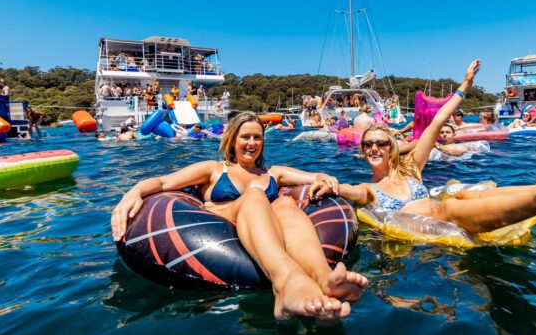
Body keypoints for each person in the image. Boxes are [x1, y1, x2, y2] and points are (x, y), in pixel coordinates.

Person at [310, 60, 536, 235]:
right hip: (435, 221)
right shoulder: (369, 189)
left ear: (393, 147)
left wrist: (464, 87)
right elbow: (349, 190)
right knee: (447, 206)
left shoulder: (411, 168)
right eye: (368, 145)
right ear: (363, 152)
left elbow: (435, 124)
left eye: (380, 143)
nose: (374, 148)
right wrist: (332, 184)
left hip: (445, 207)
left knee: (465, 194)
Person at [111, 112, 368, 320]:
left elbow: (317, 177)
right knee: (256, 197)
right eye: (246, 137)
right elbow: (163, 183)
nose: (252, 143)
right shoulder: (214, 170)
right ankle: (286, 282)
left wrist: (327, 180)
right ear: (232, 140)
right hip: (223, 226)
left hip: (265, 229)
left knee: (286, 205)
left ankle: (324, 278)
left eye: (258, 137)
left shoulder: (273, 173)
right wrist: (132, 194)